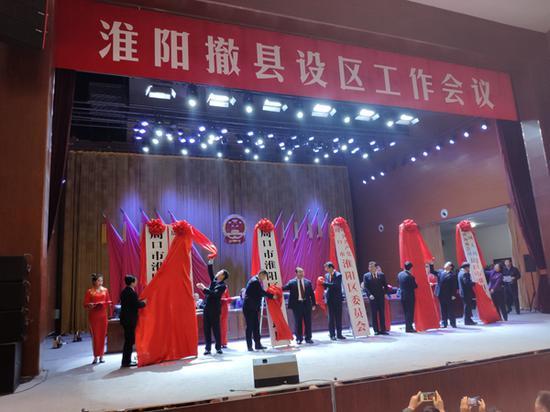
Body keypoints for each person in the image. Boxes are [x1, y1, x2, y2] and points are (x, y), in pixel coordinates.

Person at [196, 259, 228, 355]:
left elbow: (215, 294)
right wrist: (210, 262)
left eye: (220, 272)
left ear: (223, 276)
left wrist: (203, 288)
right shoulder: (214, 281)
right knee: (207, 329)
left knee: (216, 329)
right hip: (207, 309)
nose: (217, 273)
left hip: (215, 310)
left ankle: (218, 348)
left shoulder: (223, 286)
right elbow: (210, 272)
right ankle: (208, 349)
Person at [243, 270, 276, 351]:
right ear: (260, 274)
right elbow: (261, 292)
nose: (264, 278)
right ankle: (249, 346)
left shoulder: (255, 280)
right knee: (250, 327)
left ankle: (258, 345)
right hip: (249, 308)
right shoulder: (255, 281)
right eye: (264, 276)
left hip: (254, 308)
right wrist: (272, 296)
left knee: (256, 326)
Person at [83, 273, 112, 364]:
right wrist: (90, 305)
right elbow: (85, 304)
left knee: (103, 335)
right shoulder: (90, 291)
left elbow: (108, 301)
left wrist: (106, 304)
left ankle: (102, 356)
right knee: (95, 336)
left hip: (103, 315)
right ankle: (95, 356)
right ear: (94, 281)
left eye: (101, 280)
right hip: (94, 315)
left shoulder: (105, 290)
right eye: (99, 280)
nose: (101, 282)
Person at [283, 267, 316, 344]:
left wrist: (314, 304)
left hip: (306, 304)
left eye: (302, 272)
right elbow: (284, 288)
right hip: (297, 305)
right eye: (299, 272)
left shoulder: (308, 282)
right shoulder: (291, 282)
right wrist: (275, 287)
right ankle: (299, 338)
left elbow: (312, 294)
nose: (301, 273)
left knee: (308, 322)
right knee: (298, 322)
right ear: (296, 273)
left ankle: (308, 338)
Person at [120, 275, 146, 367]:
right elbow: (136, 304)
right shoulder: (131, 293)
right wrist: (144, 303)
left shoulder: (124, 291)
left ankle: (126, 361)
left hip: (125, 319)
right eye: (135, 281)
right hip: (129, 320)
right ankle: (126, 362)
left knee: (128, 341)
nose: (136, 282)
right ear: (132, 282)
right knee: (129, 341)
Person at [363, 261, 389, 335]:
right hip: (372, 298)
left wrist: (384, 293)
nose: (370, 268)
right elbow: (366, 287)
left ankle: (383, 329)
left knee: (381, 313)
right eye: (369, 267)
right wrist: (369, 295)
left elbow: (385, 285)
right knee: (374, 314)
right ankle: (376, 330)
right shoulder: (366, 276)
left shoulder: (381, 275)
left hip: (380, 297)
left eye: (372, 267)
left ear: (375, 268)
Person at [323, 261, 346, 340]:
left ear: (331, 268)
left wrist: (324, 284)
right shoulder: (326, 275)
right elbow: (326, 287)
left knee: (338, 317)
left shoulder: (338, 275)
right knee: (331, 317)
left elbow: (336, 285)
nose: (325, 270)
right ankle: (332, 334)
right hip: (330, 299)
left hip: (337, 299)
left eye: (326, 268)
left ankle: (339, 334)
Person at [432, 262, 458, 328]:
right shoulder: (440, 272)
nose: (445, 264)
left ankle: (453, 323)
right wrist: (431, 264)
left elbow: (454, 286)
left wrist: (453, 295)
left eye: (447, 264)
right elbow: (432, 271)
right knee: (443, 309)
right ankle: (444, 323)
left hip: (449, 294)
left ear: (450, 267)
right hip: (441, 294)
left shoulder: (452, 275)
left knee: (451, 309)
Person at [398, 261, 418, 333]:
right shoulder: (410, 277)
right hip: (410, 296)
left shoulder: (400, 274)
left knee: (406, 312)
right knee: (410, 312)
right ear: (411, 268)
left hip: (403, 295)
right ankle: (409, 328)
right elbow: (415, 286)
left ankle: (408, 327)